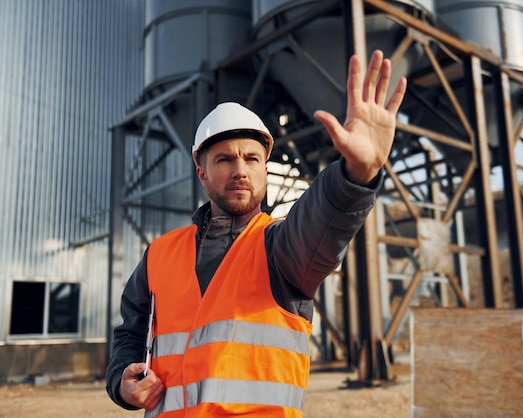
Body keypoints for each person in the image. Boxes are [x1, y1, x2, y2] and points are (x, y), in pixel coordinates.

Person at [105, 49, 406, 417]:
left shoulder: (282, 249)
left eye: (251, 159)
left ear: (265, 169)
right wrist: (122, 380)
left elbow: (324, 219)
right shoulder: (159, 254)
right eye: (225, 159)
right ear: (202, 174)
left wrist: (355, 175)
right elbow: (131, 335)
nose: (240, 170)